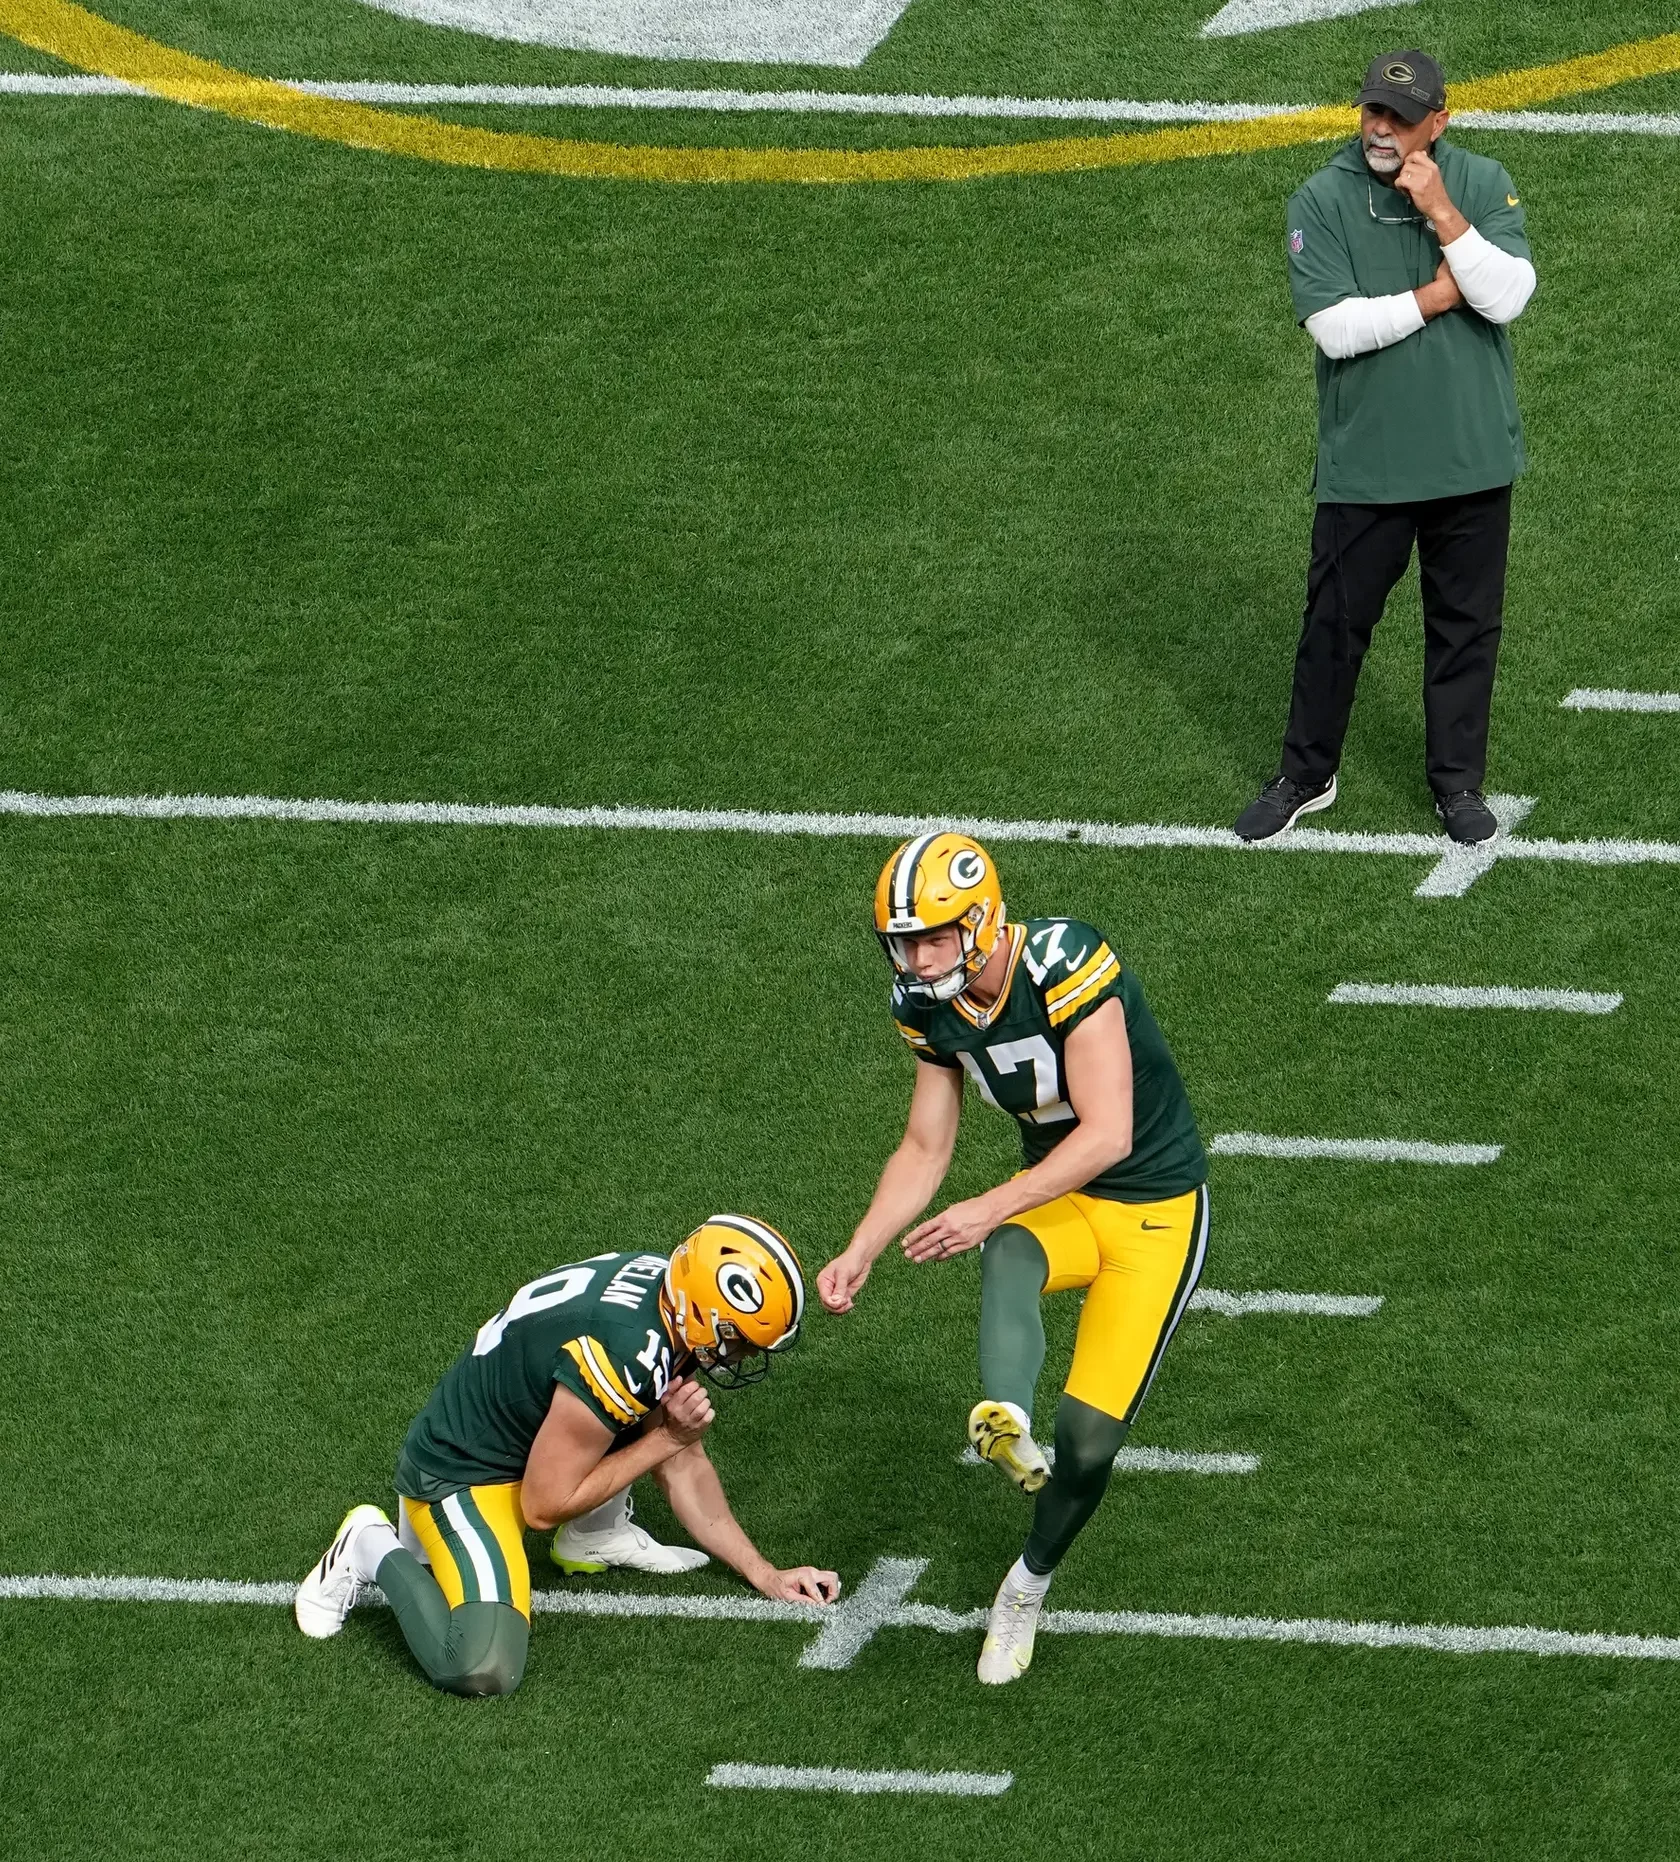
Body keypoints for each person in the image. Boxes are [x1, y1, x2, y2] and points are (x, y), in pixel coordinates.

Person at [818, 832, 1208, 1686]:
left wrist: (987, 1200)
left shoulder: (1066, 959)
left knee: (1090, 1442)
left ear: (984, 919)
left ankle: (1026, 1584)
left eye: (933, 938)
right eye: (904, 942)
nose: (916, 959)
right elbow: (924, 1147)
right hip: (1060, 1202)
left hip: (1156, 1211)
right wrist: (863, 1247)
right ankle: (1003, 1416)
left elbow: (1108, 1133)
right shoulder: (927, 1007)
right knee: (1006, 1250)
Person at [295, 1217, 839, 1695]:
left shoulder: (666, 1295)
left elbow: (683, 1460)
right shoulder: (625, 1349)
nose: (742, 1354)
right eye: (739, 1339)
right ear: (706, 1312)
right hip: (460, 1474)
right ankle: (367, 1545)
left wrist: (764, 1573)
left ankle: (595, 1533)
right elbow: (544, 1504)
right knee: (482, 1664)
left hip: (533, 1436)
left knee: (642, 1413)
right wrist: (663, 1439)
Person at [1235, 49, 1537, 847]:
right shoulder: (1322, 199)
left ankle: (1457, 785)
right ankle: (1305, 774)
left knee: (1465, 628)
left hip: (1472, 459)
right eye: (1374, 111)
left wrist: (1442, 210)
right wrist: (1442, 293)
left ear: (1438, 121)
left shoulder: (1476, 179)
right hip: (1366, 466)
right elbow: (1337, 330)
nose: (1381, 128)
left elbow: (1508, 295)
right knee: (1333, 625)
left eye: (1401, 118)